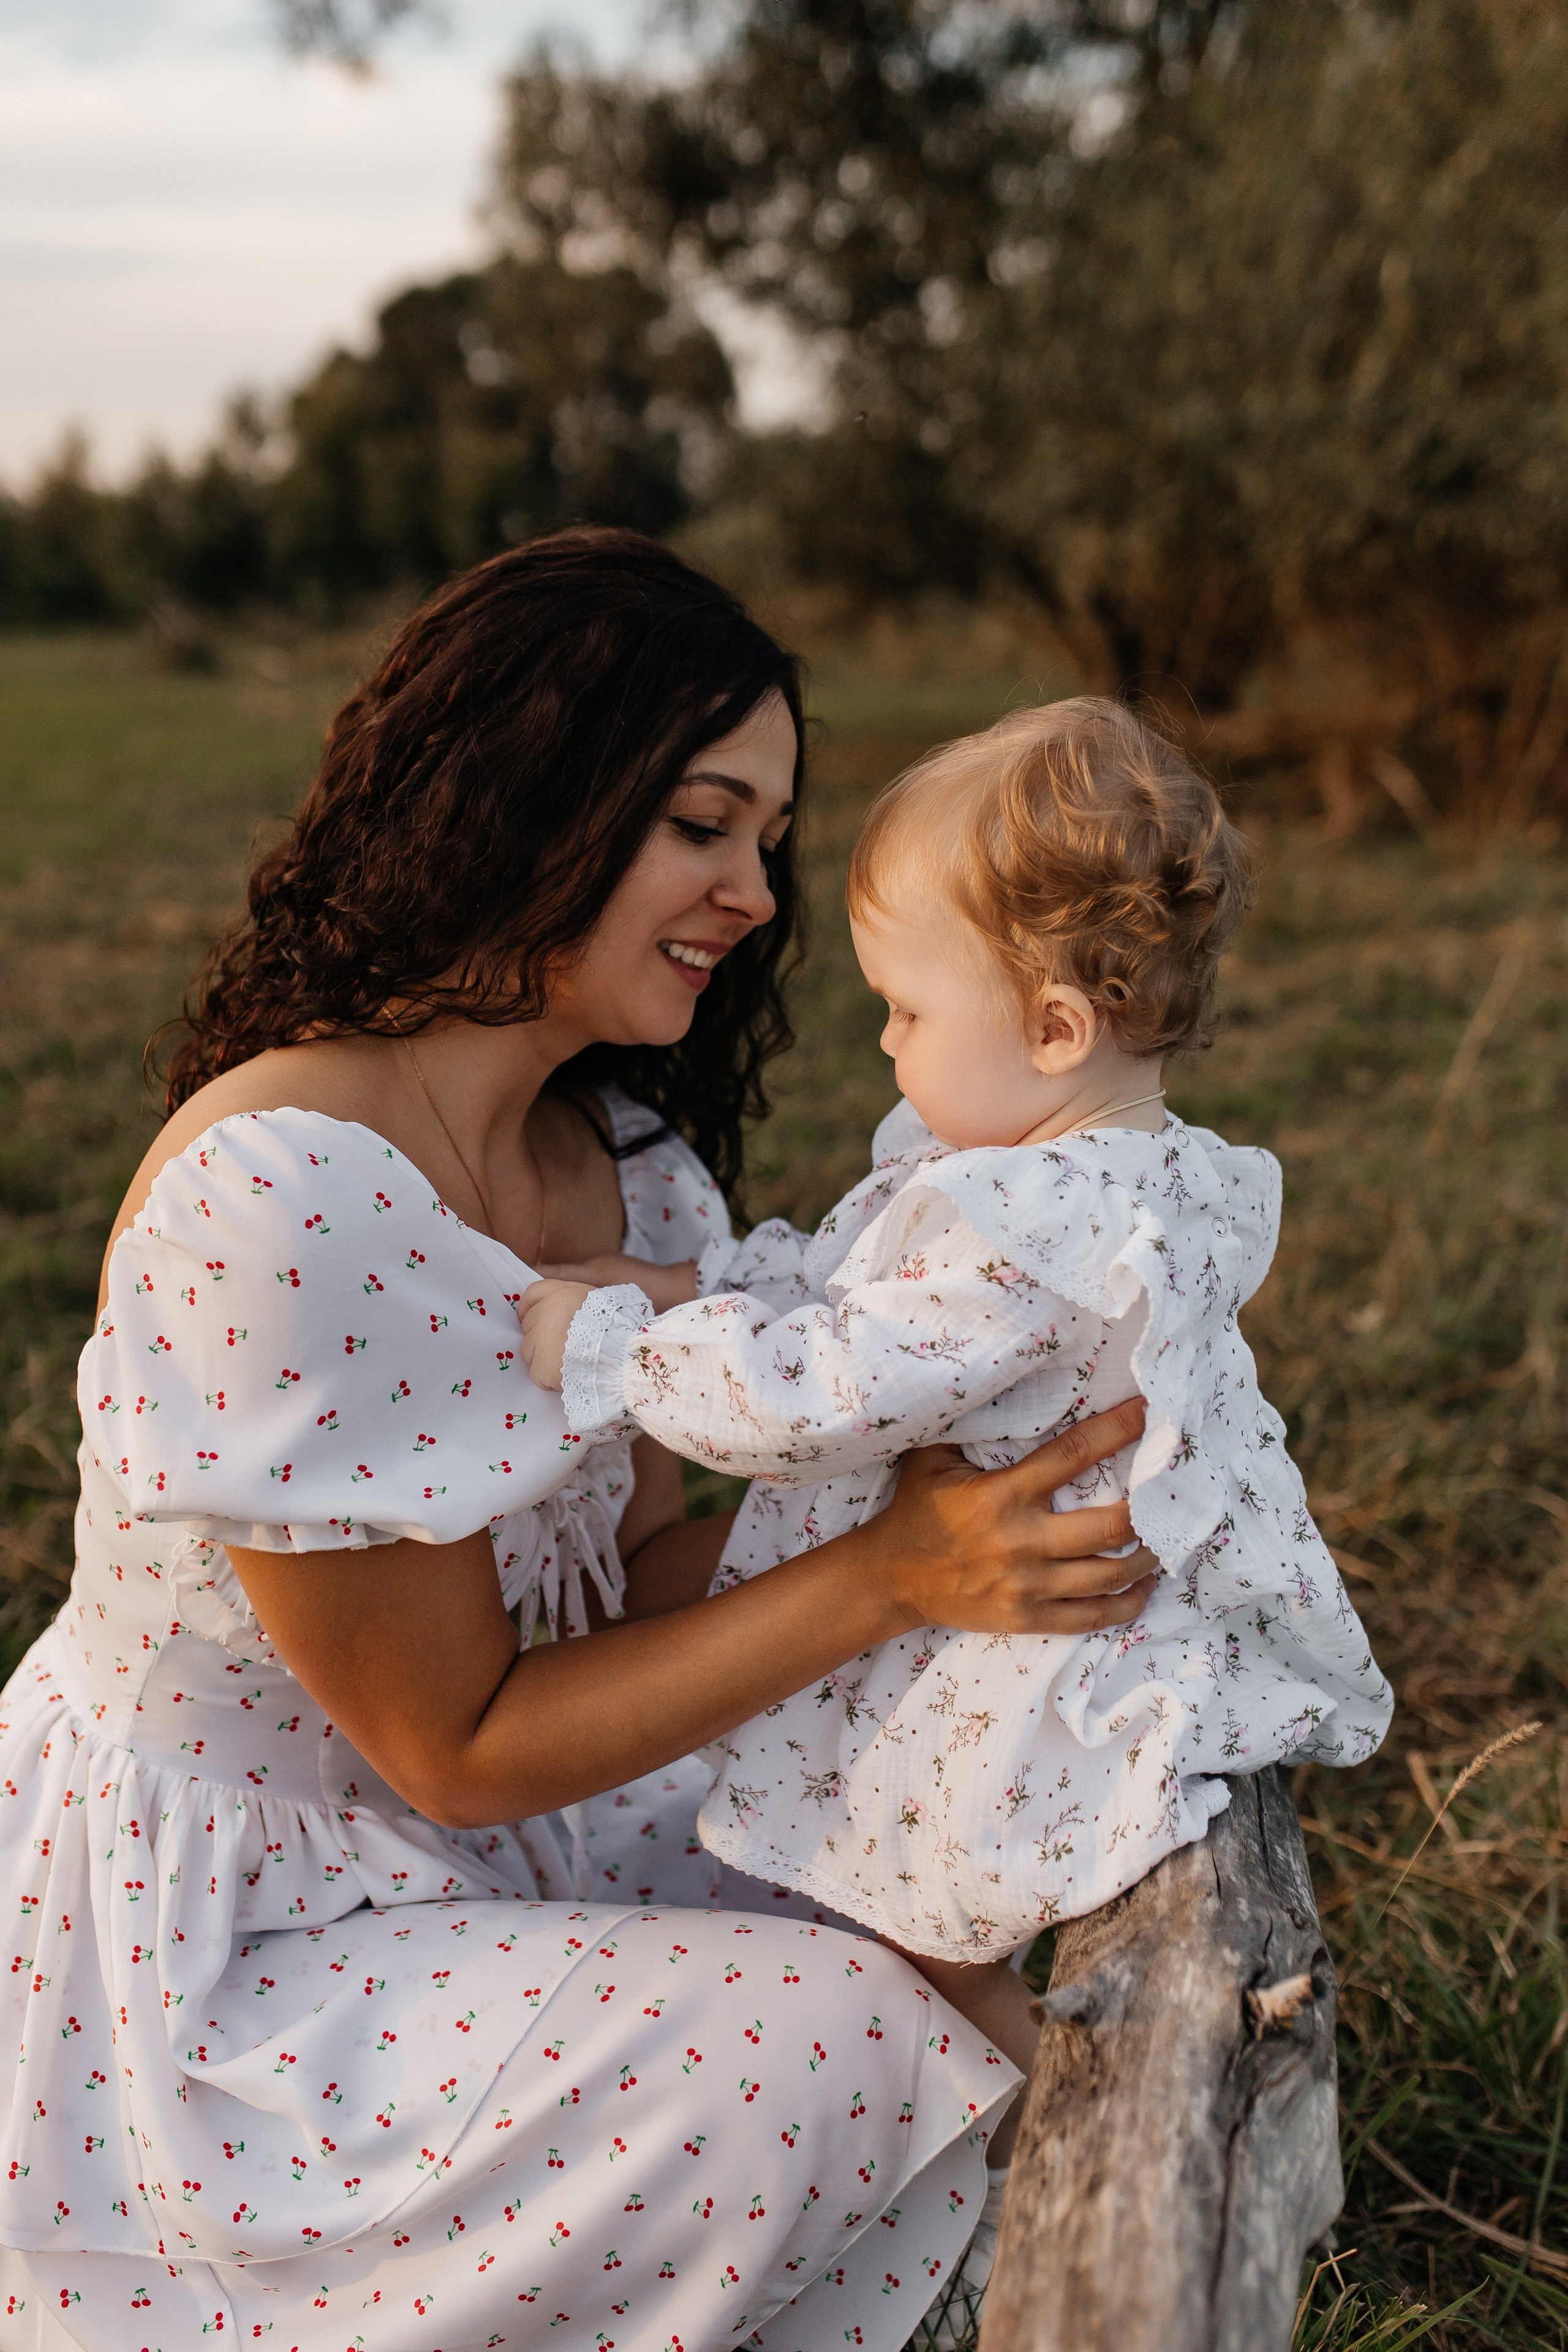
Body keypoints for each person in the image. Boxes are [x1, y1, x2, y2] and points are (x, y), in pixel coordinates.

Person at [0, 533, 1162, 2352]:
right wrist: (879, 1578)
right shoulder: (282, 1196)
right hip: (222, 1946)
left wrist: (943, 1523)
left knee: (893, 1847)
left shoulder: (627, 1172)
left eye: (768, 839)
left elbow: (613, 1592)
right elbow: (455, 1743)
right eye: (705, 823)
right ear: (533, 796)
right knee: (836, 2038)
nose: (757, 895)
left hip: (458, 1843)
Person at [518, 696, 1395, 2088]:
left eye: (905, 1010)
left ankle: (1045, 2118)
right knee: (890, 1900)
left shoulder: (1024, 1223)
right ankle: (1022, 2108)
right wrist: (697, 1285)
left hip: (1025, 1642)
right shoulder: (1123, 1168)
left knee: (906, 1904)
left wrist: (613, 1346)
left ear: (1051, 1027)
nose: (883, 1047)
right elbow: (854, 1281)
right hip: (1061, 1592)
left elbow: (835, 1386)